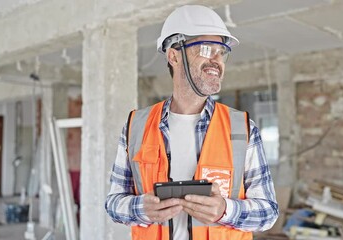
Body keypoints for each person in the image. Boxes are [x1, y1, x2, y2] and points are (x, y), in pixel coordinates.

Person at [105, 5, 278, 240]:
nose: (217, 60)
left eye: (222, 51)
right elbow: (113, 203)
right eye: (207, 49)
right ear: (174, 56)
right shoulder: (136, 126)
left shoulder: (242, 128)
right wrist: (140, 209)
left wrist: (225, 210)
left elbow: (269, 213)